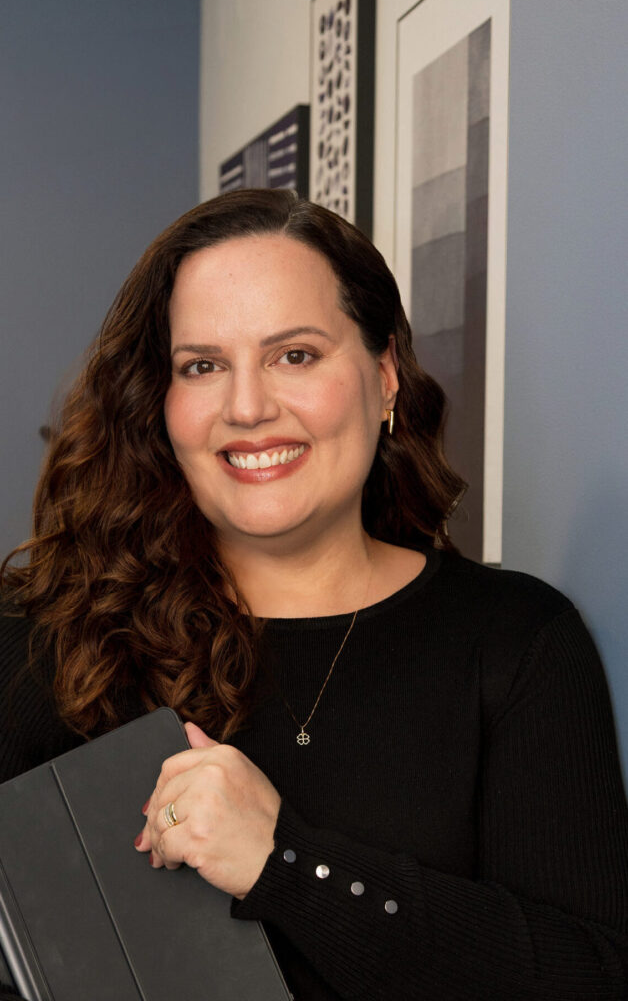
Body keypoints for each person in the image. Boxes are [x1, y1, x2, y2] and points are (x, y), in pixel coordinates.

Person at [1, 189, 627, 1001]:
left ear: (384, 375)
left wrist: (288, 862)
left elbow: (590, 975)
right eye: (202, 366)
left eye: (294, 355)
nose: (248, 408)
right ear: (161, 402)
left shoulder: (517, 643)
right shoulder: (48, 638)